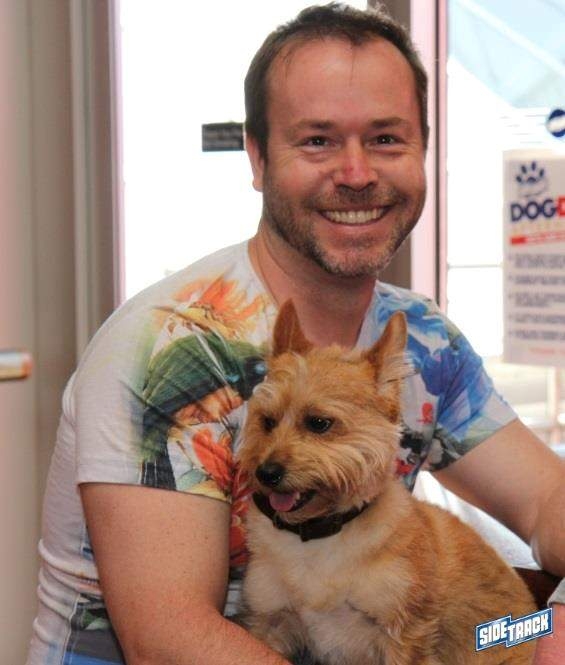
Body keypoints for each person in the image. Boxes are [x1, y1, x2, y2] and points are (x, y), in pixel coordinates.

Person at [27, 3, 565, 664]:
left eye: (386, 139)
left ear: (423, 152)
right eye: (317, 141)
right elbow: (167, 640)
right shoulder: (172, 349)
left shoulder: (423, 341)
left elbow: (547, 500)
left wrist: (553, 620)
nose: (357, 172)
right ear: (257, 158)